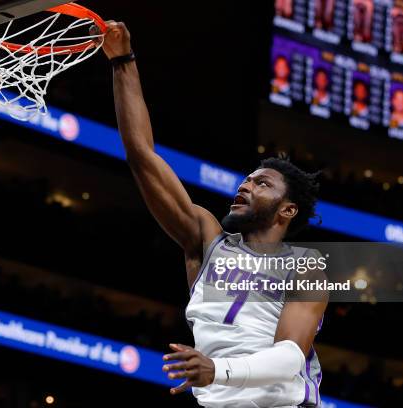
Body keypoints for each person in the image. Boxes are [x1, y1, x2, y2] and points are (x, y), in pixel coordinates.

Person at [96, 21, 328, 408]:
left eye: (262, 184)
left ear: (288, 210)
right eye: (246, 180)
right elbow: (142, 155)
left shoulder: (306, 266)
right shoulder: (206, 240)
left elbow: (290, 357)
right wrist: (123, 61)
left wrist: (218, 370)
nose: (245, 186)